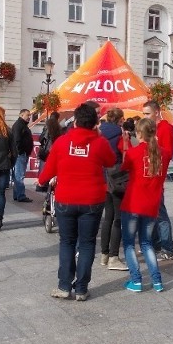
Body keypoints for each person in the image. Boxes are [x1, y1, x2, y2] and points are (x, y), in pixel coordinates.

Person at [38, 104, 116, 302]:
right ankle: (81, 289)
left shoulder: (63, 142)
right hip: (92, 200)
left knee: (67, 242)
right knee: (88, 243)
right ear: (95, 123)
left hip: (66, 199)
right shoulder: (99, 143)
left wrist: (41, 181)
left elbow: (48, 170)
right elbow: (110, 161)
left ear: (75, 121)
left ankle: (64, 286)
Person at [120, 118, 167, 292]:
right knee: (147, 243)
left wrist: (126, 145)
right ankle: (157, 281)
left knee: (130, 243)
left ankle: (136, 280)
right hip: (152, 205)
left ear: (138, 134)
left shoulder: (134, 153)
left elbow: (124, 166)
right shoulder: (164, 153)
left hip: (133, 204)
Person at [142, 100, 173, 261]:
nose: (145, 117)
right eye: (144, 114)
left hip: (156, 175)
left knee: (160, 214)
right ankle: (154, 244)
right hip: (147, 176)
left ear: (156, 112)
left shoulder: (165, 128)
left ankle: (167, 248)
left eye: (147, 113)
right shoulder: (149, 128)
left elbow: (168, 153)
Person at [99, 107, 129, 271]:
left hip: (103, 178)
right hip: (116, 178)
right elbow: (125, 155)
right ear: (120, 119)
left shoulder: (99, 131)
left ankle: (104, 254)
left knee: (108, 216)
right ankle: (113, 257)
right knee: (118, 218)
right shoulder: (120, 134)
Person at [36, 111, 62, 193]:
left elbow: (42, 138)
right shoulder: (59, 127)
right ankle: (49, 185)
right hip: (54, 149)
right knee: (53, 167)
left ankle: (42, 184)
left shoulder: (47, 125)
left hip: (46, 150)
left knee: (44, 167)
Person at [11, 109, 34, 203]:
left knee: (18, 175)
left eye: (30, 115)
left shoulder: (22, 125)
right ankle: (20, 195)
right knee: (19, 175)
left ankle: (17, 194)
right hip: (20, 154)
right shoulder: (19, 125)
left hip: (22, 153)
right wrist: (20, 152)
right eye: (27, 115)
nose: (29, 117)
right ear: (21, 115)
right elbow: (17, 140)